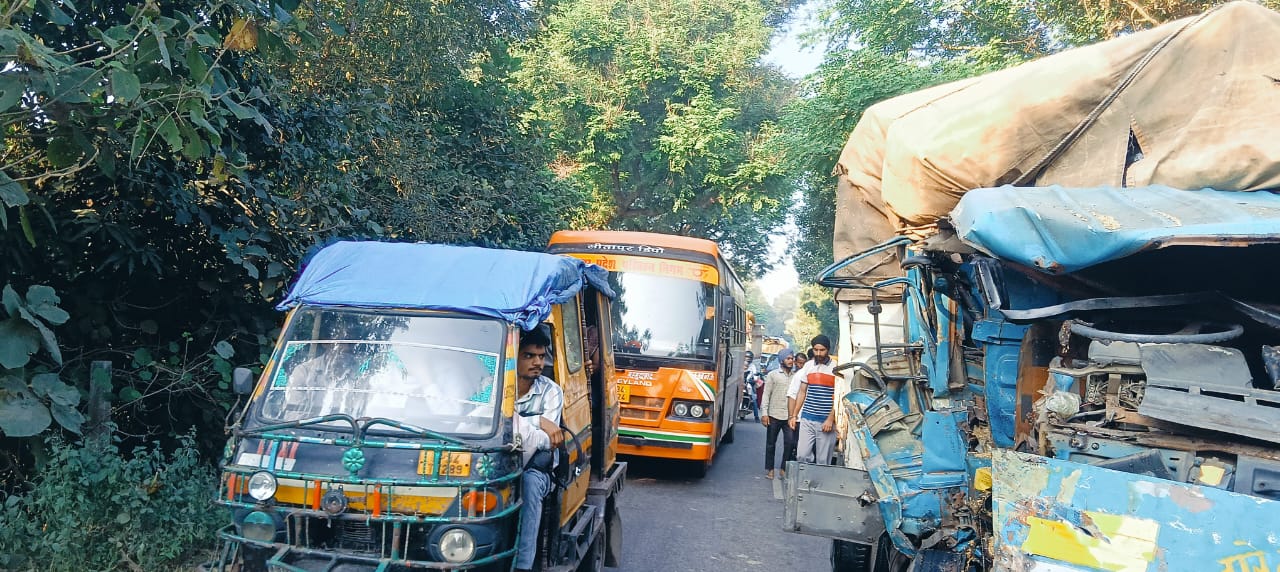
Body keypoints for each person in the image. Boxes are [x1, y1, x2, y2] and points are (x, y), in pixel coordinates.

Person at [513, 327, 564, 572]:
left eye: (541, 357)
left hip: (537, 468)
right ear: (514, 356)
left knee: (529, 483)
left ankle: (523, 565)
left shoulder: (551, 391)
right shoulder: (496, 386)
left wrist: (517, 423)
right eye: (529, 356)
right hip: (498, 462)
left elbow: (547, 440)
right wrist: (535, 421)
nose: (537, 362)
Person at [788, 335, 838, 465]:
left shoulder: (836, 368)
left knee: (823, 460)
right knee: (802, 455)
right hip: (807, 418)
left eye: (822, 350)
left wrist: (830, 419)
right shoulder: (808, 366)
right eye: (816, 350)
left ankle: (820, 484)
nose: (819, 353)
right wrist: (794, 415)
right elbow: (802, 392)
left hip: (826, 422)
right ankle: (806, 483)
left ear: (828, 350)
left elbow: (838, 396)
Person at [760, 348, 797, 479]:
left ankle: (783, 468)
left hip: (789, 416)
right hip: (773, 415)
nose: (791, 361)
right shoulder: (773, 375)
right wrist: (764, 413)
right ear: (782, 360)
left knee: (790, 442)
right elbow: (766, 394)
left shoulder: (796, 376)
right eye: (788, 358)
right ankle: (770, 470)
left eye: (792, 358)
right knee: (771, 443)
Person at [744, 351, 761, 422]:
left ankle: (756, 416)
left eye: (749, 357)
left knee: (753, 399)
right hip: (740, 383)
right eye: (747, 357)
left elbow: (755, 375)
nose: (748, 359)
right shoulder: (740, 363)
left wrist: (754, 379)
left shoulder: (753, 366)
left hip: (748, 384)